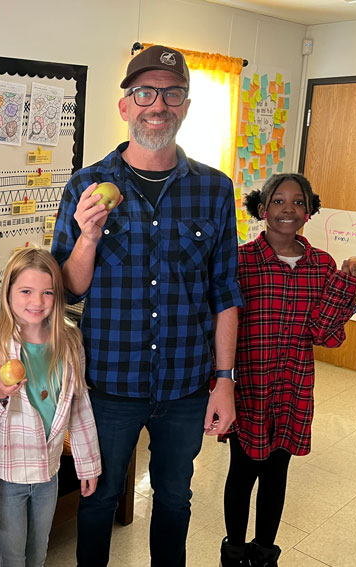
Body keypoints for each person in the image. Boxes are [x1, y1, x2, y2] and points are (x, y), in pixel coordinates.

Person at [51, 45, 244, 567]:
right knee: (99, 499)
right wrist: (88, 237)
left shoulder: (214, 189)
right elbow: (68, 290)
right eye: (144, 93)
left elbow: (225, 291)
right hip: (110, 382)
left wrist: (225, 381)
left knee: (175, 500)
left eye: (172, 93)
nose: (158, 104)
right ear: (125, 106)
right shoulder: (86, 186)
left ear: (186, 106)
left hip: (187, 384)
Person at [219, 174, 356, 567]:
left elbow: (324, 335)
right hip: (249, 386)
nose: (288, 209)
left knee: (277, 471)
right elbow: (221, 327)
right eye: (278, 200)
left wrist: (345, 287)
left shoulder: (322, 266)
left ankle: (265, 551)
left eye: (298, 202)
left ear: (309, 211)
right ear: (262, 209)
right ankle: (234, 550)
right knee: (243, 470)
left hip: (293, 386)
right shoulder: (240, 261)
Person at [0, 247, 101, 567]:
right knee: (11, 557)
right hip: (6, 474)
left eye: (47, 292)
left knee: (38, 553)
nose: (37, 301)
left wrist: (88, 464)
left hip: (48, 472)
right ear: (8, 292)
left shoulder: (69, 340)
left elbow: (79, 405)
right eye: (26, 291)